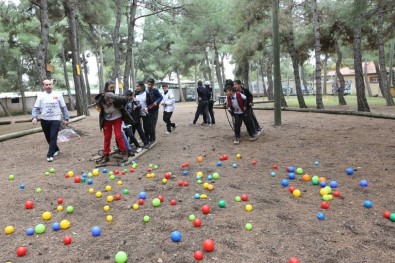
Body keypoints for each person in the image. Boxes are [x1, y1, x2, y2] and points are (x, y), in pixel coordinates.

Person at [95, 80, 134, 164]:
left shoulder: (116, 97)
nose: (111, 89)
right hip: (107, 119)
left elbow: (125, 99)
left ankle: (124, 153)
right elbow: (97, 102)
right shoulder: (102, 97)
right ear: (106, 88)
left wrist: (114, 96)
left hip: (117, 118)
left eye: (113, 88)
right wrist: (103, 97)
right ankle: (106, 156)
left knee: (119, 135)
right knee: (107, 137)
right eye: (110, 88)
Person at [32, 79, 70, 162]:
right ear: (43, 86)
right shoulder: (40, 96)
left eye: (50, 84)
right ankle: (56, 149)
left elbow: (63, 107)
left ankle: (49, 155)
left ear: (52, 85)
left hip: (55, 119)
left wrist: (66, 118)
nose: (48, 86)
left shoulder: (58, 95)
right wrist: (34, 117)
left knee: (53, 136)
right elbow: (36, 108)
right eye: (46, 85)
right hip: (44, 119)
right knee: (48, 137)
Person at [146, 78, 163, 144]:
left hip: (154, 110)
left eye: (150, 84)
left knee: (152, 125)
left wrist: (156, 102)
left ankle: (152, 139)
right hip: (148, 110)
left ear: (153, 84)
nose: (149, 85)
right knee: (148, 125)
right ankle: (149, 138)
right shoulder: (146, 91)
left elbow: (161, 97)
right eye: (148, 84)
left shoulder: (155, 90)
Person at [134, 81, 150, 148]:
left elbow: (150, 103)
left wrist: (147, 108)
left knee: (146, 127)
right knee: (136, 126)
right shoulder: (135, 93)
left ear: (142, 86)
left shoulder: (146, 93)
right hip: (137, 112)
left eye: (138, 86)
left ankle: (147, 139)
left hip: (145, 112)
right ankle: (133, 140)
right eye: (136, 86)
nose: (137, 88)